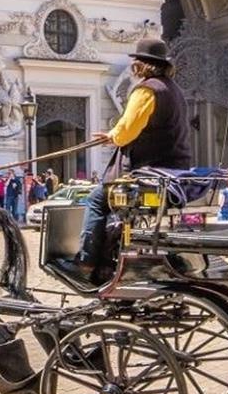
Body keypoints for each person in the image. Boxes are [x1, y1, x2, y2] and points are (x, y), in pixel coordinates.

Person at [75, 37, 192, 282]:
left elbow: (127, 130)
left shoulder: (147, 90)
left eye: (136, 61)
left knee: (96, 200)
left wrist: (113, 136)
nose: (133, 66)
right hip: (173, 170)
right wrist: (114, 136)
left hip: (147, 171)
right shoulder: (175, 90)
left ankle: (87, 262)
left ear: (143, 65)